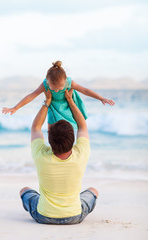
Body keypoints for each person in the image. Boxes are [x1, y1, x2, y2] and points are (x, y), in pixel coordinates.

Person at [20, 88, 98, 224]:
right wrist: (70, 100)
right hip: (74, 216)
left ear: (49, 139)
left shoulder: (41, 155)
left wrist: (47, 102)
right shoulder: (81, 154)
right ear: (73, 139)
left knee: (24, 190)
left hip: (43, 215)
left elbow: (36, 128)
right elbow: (82, 127)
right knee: (93, 191)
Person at [2, 61, 115, 129]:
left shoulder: (69, 83)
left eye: (59, 88)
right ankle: (53, 146)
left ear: (65, 81)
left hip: (67, 106)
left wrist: (101, 98)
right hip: (53, 106)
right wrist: (15, 108)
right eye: (53, 88)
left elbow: (85, 90)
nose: (56, 91)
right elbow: (32, 95)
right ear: (47, 81)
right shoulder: (45, 83)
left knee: (69, 128)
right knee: (51, 128)